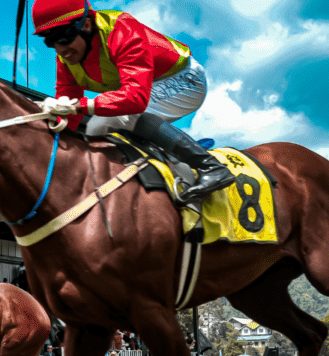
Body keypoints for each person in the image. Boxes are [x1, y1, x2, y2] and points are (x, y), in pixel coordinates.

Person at [31, 0, 235, 203]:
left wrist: (81, 106)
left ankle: (211, 167)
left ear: (85, 24)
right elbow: (68, 116)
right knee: (91, 131)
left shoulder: (121, 28)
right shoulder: (65, 60)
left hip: (184, 79)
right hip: (144, 89)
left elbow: (135, 98)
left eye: (63, 37)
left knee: (103, 123)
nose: (60, 49)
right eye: (50, 41)